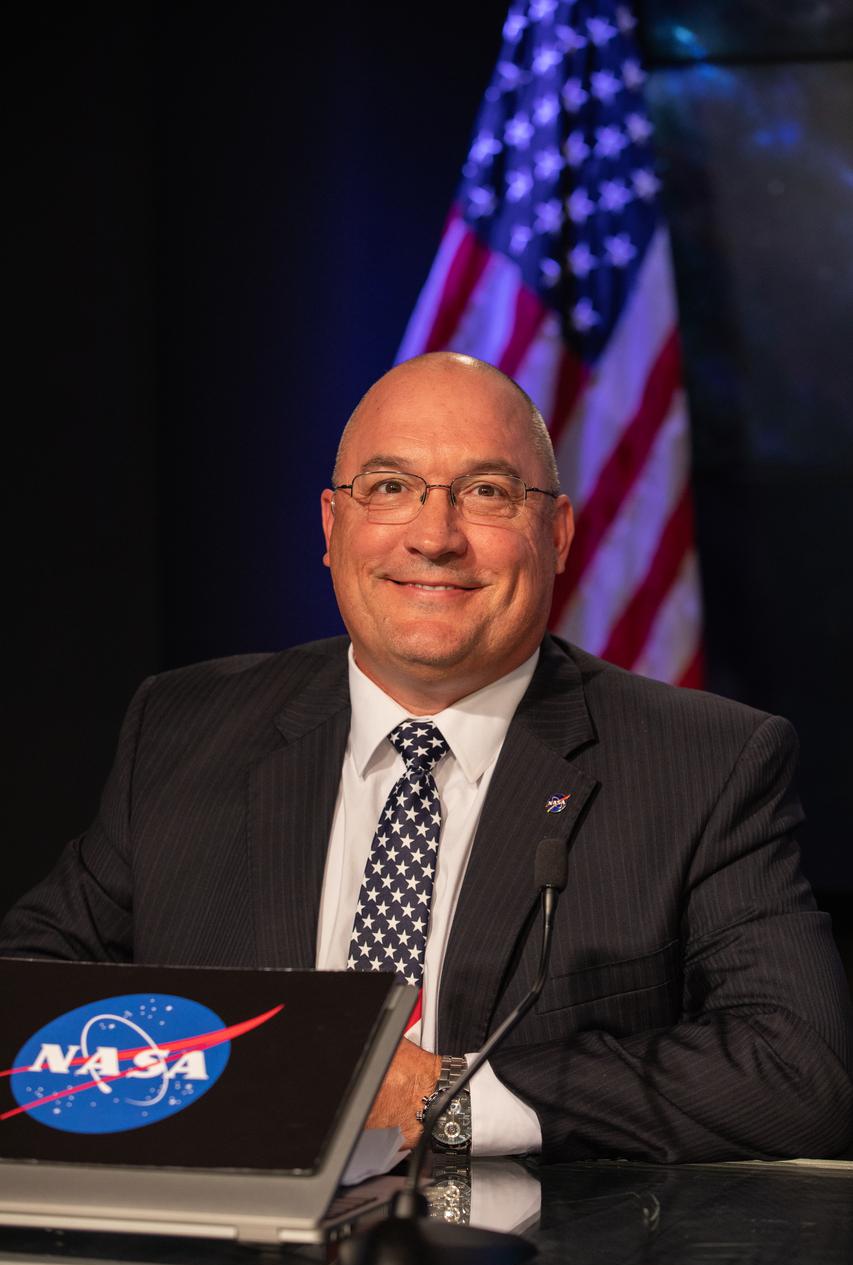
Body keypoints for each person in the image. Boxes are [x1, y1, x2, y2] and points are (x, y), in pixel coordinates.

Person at [2, 352, 852, 1163]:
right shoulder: (185, 728)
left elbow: (795, 1073)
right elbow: (28, 993)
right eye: (389, 489)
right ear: (333, 527)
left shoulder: (702, 763)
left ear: (555, 534)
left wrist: (445, 1098)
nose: (434, 536)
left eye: (486, 492)